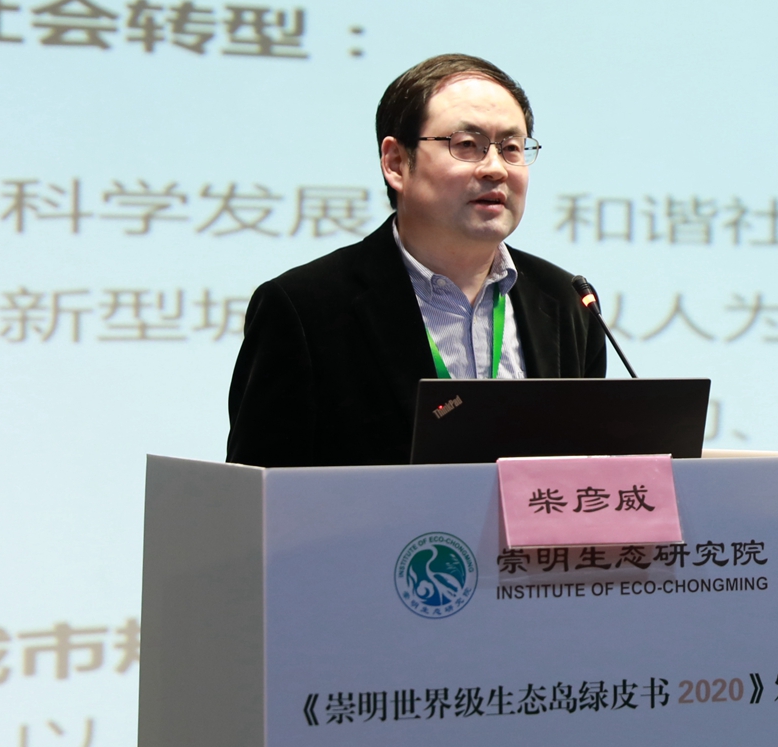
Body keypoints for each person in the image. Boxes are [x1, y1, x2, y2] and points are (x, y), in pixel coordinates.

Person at [225, 53, 604, 467]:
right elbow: (258, 492)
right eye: (467, 145)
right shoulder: (304, 309)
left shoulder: (567, 302)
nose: (496, 169)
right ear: (395, 163)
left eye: (512, 148)